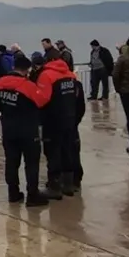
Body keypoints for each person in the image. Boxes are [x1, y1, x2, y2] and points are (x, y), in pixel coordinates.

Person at [0, 56, 52, 207]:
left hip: (8, 130)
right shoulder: (28, 86)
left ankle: (13, 193)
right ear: (27, 70)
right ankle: (32, 195)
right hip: (27, 131)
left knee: (11, 162)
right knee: (31, 163)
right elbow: (42, 100)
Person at [35, 56, 85, 199]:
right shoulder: (70, 75)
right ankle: (68, 185)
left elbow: (41, 100)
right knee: (68, 150)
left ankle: (54, 186)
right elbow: (78, 100)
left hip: (52, 121)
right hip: (70, 120)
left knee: (52, 152)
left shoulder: (46, 75)